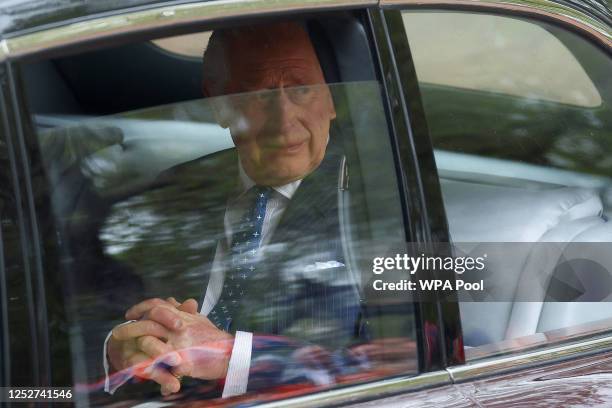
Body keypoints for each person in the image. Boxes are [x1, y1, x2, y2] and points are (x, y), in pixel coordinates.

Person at [103, 21, 415, 400]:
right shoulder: (175, 190)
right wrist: (116, 349)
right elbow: (77, 311)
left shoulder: (392, 199)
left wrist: (233, 358)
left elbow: (417, 359)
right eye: (259, 93)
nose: (283, 120)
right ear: (219, 103)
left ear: (332, 99)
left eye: (301, 87)